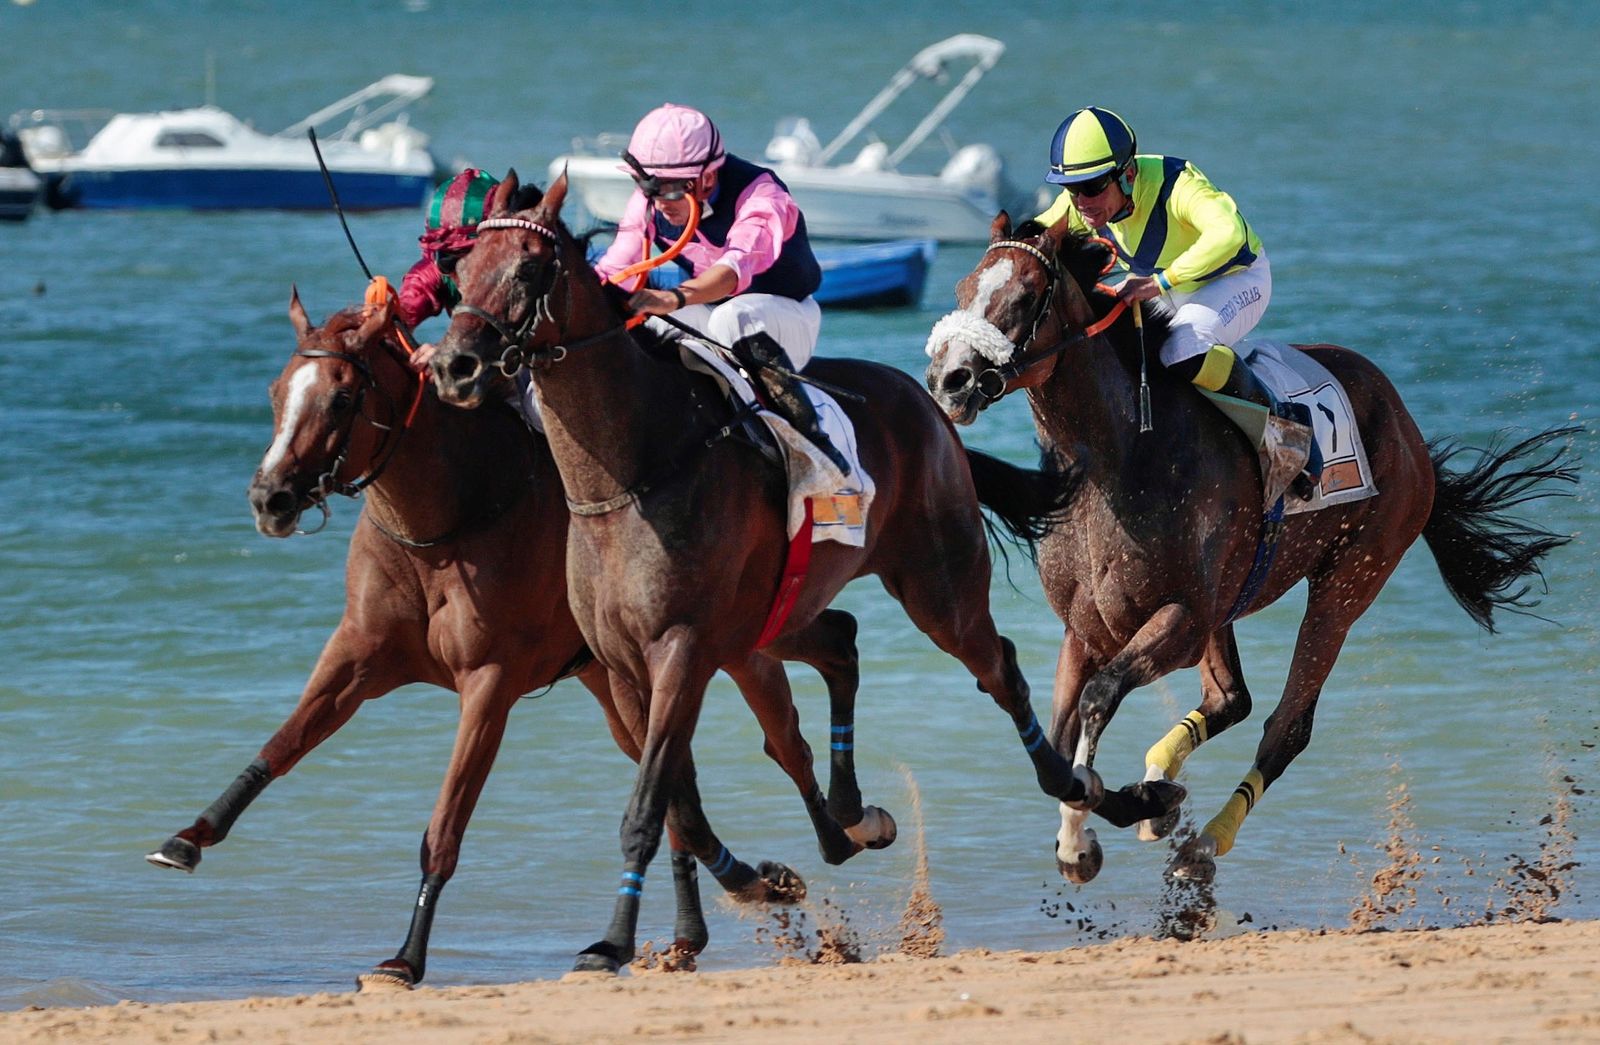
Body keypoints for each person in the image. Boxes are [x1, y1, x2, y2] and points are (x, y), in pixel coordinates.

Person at [1035, 106, 1319, 501]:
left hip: (1235, 278)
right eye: (1072, 189)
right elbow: (1033, 241)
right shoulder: (1085, 205)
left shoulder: (1178, 184)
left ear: (1128, 174)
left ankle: (1285, 424)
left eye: (1094, 186)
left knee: (1184, 347)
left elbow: (1228, 235)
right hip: (1169, 287)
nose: (1082, 202)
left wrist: (1161, 281)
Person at [592, 102, 850, 476]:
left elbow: (733, 270)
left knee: (733, 317)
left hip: (783, 317)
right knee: (648, 328)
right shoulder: (649, 202)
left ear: (707, 179)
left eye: (667, 190)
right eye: (647, 186)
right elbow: (618, 268)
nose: (657, 200)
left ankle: (813, 450)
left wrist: (674, 296)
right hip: (712, 312)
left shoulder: (763, 196)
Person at [397, 167, 503, 330]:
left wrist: (441, 349)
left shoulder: (528, 267)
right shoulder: (434, 268)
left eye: (470, 256)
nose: (460, 271)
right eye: (449, 258)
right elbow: (404, 311)